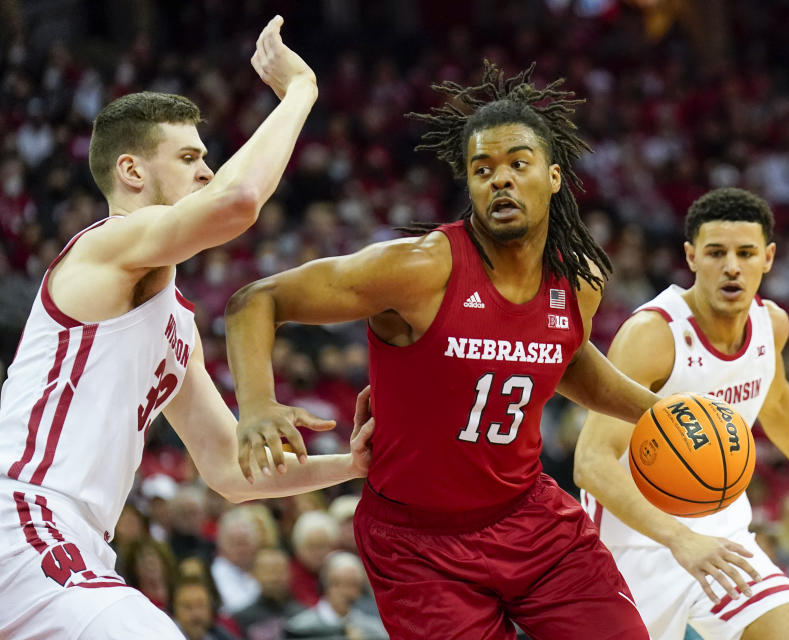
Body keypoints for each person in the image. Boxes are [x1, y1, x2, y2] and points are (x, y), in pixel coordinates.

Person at [224, 62, 678, 639]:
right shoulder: (420, 269)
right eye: (482, 169)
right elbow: (254, 300)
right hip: (419, 546)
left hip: (531, 519)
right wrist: (258, 404)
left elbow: (565, 356)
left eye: (518, 163)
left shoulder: (578, 280)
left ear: (555, 177)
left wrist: (655, 414)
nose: (500, 180)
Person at [0, 17, 373, 640]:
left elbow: (229, 470)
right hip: (26, 513)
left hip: (79, 540)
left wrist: (351, 465)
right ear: (133, 171)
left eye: (207, 158)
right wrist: (302, 89)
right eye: (190, 157)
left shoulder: (175, 322)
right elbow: (237, 202)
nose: (207, 171)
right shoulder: (107, 248)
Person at [576, 188, 789, 640]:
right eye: (716, 253)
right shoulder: (653, 334)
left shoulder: (772, 323)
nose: (732, 266)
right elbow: (591, 462)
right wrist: (679, 538)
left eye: (746, 252)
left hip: (722, 535)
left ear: (767, 257)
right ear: (690, 256)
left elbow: (776, 398)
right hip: (630, 548)